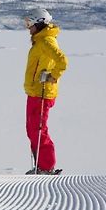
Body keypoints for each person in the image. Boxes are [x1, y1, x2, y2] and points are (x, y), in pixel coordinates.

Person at [23, 9, 68, 175]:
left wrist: (52, 76)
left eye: (30, 24)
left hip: (42, 93)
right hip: (34, 91)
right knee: (32, 129)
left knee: (39, 129)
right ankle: (40, 166)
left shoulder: (47, 41)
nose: (28, 28)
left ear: (40, 23)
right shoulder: (40, 41)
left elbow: (62, 61)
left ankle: (47, 167)